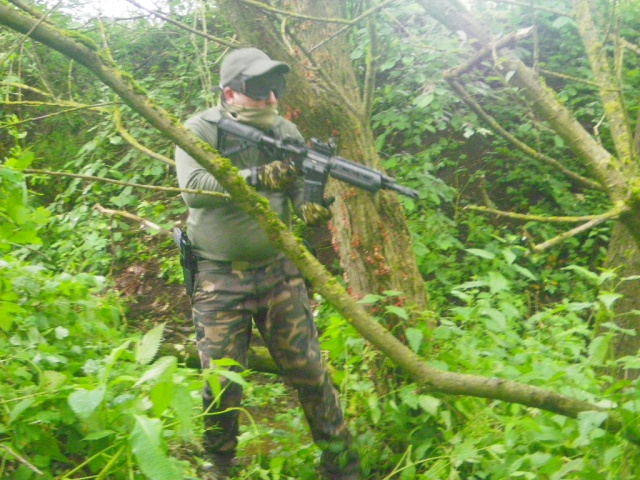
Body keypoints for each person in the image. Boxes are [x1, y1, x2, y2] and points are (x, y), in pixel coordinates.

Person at [174, 47, 360, 480]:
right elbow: (195, 189)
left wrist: (310, 203)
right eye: (259, 90)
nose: (271, 98)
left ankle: (341, 460)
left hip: (279, 274)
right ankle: (219, 464)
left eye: (275, 88)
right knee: (221, 382)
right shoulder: (200, 129)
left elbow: (297, 186)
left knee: (311, 371)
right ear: (230, 93)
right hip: (219, 277)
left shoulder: (285, 130)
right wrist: (257, 178)